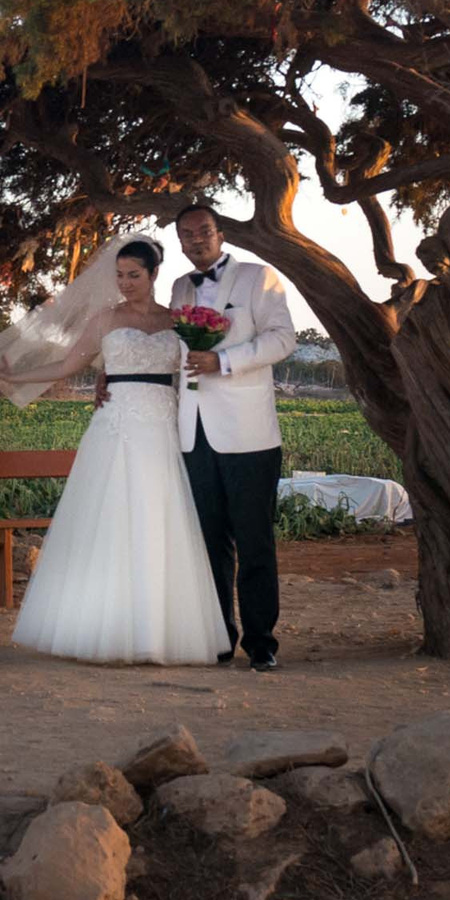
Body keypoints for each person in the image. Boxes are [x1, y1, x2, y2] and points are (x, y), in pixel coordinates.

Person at [0, 236, 230, 665]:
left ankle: (158, 633)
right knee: (111, 521)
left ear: (153, 274)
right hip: (116, 428)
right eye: (120, 275)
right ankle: (104, 630)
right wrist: (16, 377)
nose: (125, 283)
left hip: (162, 428)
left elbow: (192, 374)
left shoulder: (177, 321)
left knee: (159, 524)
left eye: (134, 275)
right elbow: (67, 364)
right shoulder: (105, 319)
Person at [169, 201, 299, 670]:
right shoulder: (180, 287)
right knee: (208, 542)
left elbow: (283, 338)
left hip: (248, 434)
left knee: (254, 540)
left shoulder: (257, 278)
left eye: (203, 231)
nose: (196, 240)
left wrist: (223, 360)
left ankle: (261, 643)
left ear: (220, 233)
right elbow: (172, 353)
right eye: (186, 235)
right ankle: (218, 635)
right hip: (193, 433)